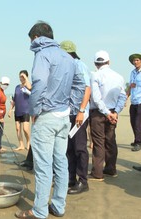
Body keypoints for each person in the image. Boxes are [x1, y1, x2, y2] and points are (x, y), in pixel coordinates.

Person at [15, 21, 85, 219]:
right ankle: (59, 206)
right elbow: (80, 84)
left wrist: (34, 110)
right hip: (63, 116)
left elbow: (39, 82)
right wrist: (70, 105)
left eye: (31, 40)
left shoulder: (42, 54)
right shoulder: (68, 57)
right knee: (61, 161)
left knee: (43, 166)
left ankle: (39, 211)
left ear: (36, 38)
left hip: (46, 116)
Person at [89, 50, 127, 181]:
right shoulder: (119, 77)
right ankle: (111, 169)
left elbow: (96, 97)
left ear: (95, 63)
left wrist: (106, 112)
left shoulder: (95, 75)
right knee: (111, 141)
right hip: (112, 112)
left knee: (99, 142)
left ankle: (97, 173)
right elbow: (123, 97)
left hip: (98, 113)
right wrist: (115, 112)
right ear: (108, 62)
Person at [60, 40, 91, 195]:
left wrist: (81, 110)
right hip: (69, 113)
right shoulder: (69, 66)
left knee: (79, 147)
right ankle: (71, 178)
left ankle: (83, 181)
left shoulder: (79, 65)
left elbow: (87, 88)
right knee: (69, 148)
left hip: (79, 114)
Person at [126, 53, 141, 151]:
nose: (135, 62)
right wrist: (126, 97)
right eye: (134, 60)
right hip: (134, 101)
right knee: (132, 121)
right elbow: (130, 86)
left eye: (137, 60)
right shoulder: (132, 73)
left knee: (138, 122)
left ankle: (138, 142)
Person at [8, 70, 31, 151]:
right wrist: (10, 110)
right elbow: (14, 99)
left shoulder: (28, 86)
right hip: (17, 111)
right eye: (20, 76)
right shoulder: (17, 87)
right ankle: (21, 144)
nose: (21, 78)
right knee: (18, 129)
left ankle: (28, 142)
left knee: (25, 129)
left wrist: (26, 78)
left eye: (23, 76)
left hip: (26, 111)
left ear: (26, 77)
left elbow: (30, 88)